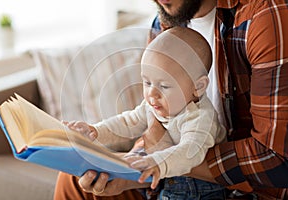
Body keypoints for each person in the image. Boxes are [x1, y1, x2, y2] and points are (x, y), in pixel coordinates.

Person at [54, 0, 288, 199]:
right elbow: (149, 125)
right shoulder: (167, 19)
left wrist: (158, 163)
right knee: (75, 179)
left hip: (239, 189)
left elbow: (277, 159)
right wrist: (127, 166)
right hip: (169, 173)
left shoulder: (266, 15)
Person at [62, 27, 226, 199]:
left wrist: (157, 161)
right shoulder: (156, 104)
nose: (152, 94)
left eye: (164, 86)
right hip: (164, 183)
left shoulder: (200, 118)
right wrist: (95, 131)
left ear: (198, 87)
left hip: (200, 192)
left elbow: (190, 152)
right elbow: (127, 122)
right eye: (147, 82)